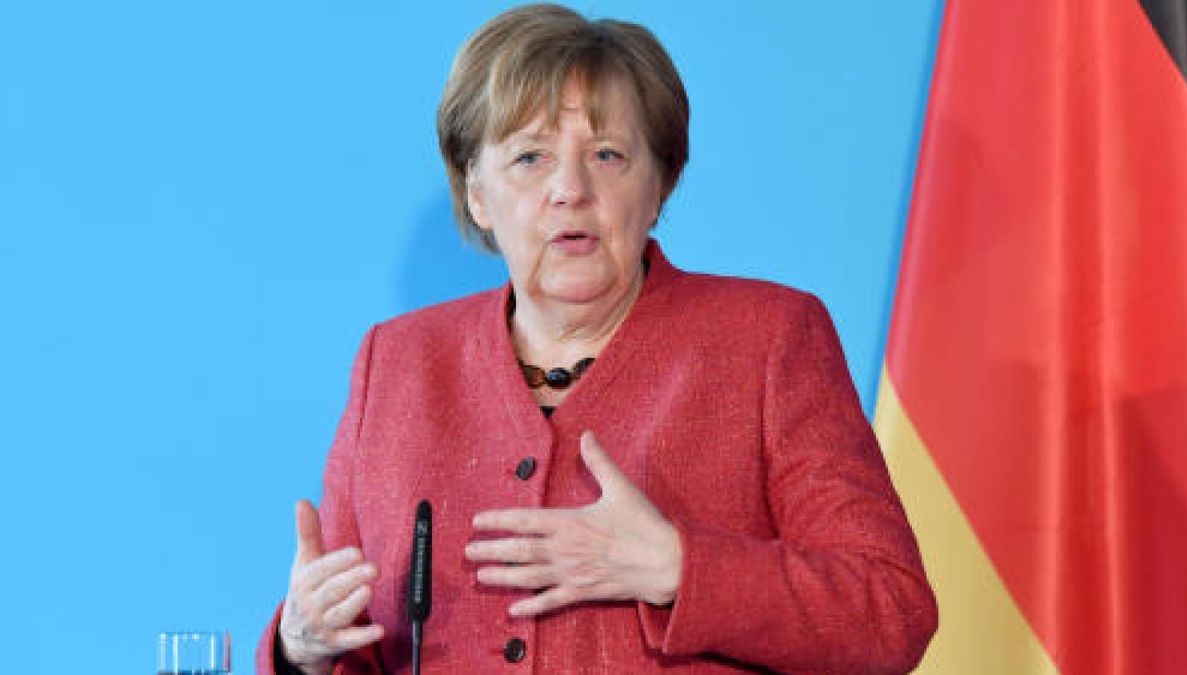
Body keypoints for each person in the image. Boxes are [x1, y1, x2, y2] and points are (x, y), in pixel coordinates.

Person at [256, 4, 937, 673]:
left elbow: (890, 610)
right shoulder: (397, 363)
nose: (570, 189)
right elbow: (354, 641)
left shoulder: (768, 339)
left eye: (607, 155)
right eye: (529, 156)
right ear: (478, 194)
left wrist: (678, 566)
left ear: (660, 182)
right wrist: (301, 649)